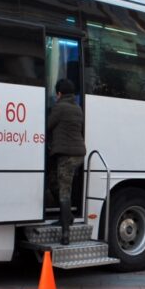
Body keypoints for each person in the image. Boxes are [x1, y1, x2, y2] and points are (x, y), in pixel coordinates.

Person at [47, 79, 86, 245]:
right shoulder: (77, 108)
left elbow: (48, 126)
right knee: (53, 181)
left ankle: (65, 233)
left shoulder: (59, 107)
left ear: (59, 93)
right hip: (78, 154)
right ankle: (67, 217)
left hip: (67, 155)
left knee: (64, 191)